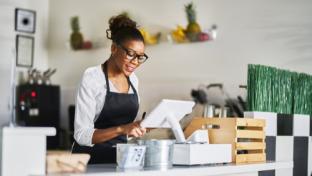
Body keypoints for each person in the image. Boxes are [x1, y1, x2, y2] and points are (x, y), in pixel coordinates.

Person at [72, 14, 148, 164]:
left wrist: (139, 127)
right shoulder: (92, 77)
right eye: (131, 54)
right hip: (89, 162)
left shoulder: (133, 80)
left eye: (140, 57)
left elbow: (125, 132)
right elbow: (81, 135)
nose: (135, 62)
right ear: (113, 48)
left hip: (119, 161)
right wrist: (122, 129)